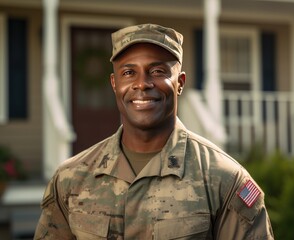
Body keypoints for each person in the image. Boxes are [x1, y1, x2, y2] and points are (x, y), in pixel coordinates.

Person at [34, 23, 274, 239]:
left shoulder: (224, 180)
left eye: (157, 71)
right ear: (114, 83)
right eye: (129, 72)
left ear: (180, 83)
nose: (142, 83)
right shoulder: (70, 179)